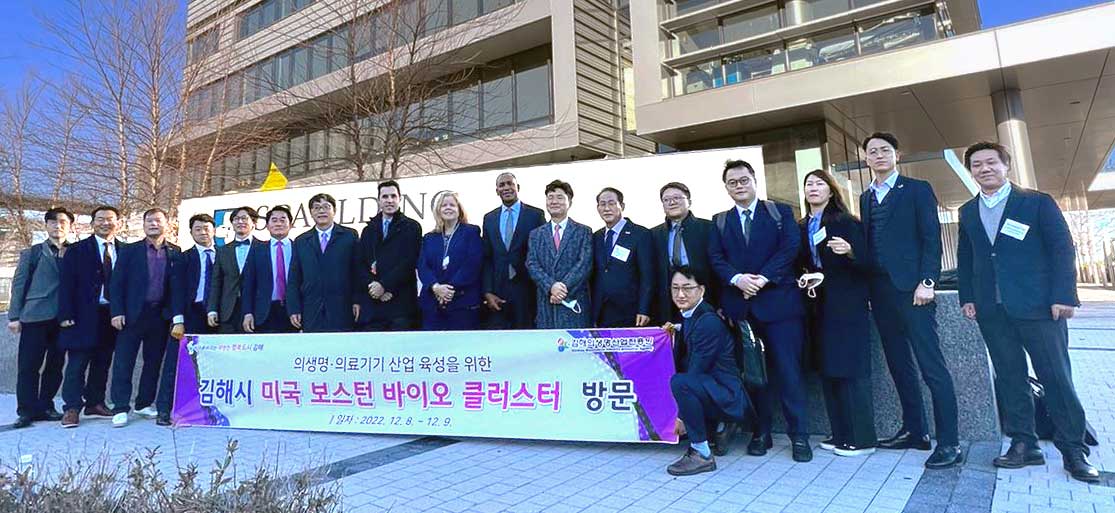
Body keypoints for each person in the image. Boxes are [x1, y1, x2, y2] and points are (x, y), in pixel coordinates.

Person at [957, 142, 1099, 482]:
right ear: (971, 171)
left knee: (1055, 378)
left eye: (991, 162)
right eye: (977, 165)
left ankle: (1073, 450)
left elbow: (1062, 248)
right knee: (1010, 378)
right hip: (992, 310)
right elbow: (967, 258)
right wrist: (968, 297)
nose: (984, 169)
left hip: (1038, 307)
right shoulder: (967, 211)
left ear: (1006, 166)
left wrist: (1064, 296)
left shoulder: (1035, 202)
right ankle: (1024, 444)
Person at [858, 132, 961, 469]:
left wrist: (927, 281)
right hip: (881, 293)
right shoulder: (865, 197)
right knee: (898, 364)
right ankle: (914, 431)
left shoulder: (917, 190)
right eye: (872, 152)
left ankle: (950, 443)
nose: (878, 156)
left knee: (932, 366)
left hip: (914, 291)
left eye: (884, 150)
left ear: (897, 155)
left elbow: (931, 238)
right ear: (866, 159)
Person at [708, 159, 811, 462]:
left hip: (780, 306)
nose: (739, 186)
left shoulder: (780, 212)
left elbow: (790, 248)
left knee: (789, 373)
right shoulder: (720, 221)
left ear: (754, 181)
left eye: (744, 180)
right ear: (726, 187)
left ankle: (800, 436)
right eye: (733, 182)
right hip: (742, 311)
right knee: (754, 376)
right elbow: (715, 257)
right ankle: (761, 432)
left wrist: (763, 278)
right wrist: (738, 279)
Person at [797, 170, 877, 457]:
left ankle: (862, 438)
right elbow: (803, 264)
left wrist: (851, 251)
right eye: (808, 184)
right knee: (829, 370)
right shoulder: (802, 225)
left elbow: (868, 264)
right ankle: (840, 432)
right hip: (818, 307)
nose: (813, 188)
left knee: (851, 371)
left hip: (846, 306)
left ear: (831, 191)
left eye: (819, 184)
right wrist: (807, 277)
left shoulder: (846, 222)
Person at [666, 266, 749, 476]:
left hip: (729, 396)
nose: (680, 294)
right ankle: (715, 429)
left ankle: (701, 453)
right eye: (675, 288)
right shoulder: (692, 314)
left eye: (687, 288)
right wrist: (677, 328)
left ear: (701, 290)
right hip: (715, 388)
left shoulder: (709, 322)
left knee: (681, 382)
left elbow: (695, 371)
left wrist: (681, 417)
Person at [108, 207, 185, 428]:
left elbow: (176, 287)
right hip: (132, 314)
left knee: (153, 362)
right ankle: (121, 407)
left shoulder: (175, 252)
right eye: (149, 221)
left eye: (158, 220)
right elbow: (117, 284)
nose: (154, 224)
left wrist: (176, 317)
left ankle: (143, 403)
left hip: (159, 316)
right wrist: (117, 311)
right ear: (143, 225)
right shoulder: (130, 251)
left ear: (167, 224)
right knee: (124, 361)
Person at [8, 207, 73, 429]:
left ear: (70, 226)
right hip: (34, 317)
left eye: (63, 221)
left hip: (63, 319)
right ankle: (26, 410)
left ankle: (46, 405)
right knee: (28, 365)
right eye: (53, 222)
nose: (58, 225)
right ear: (46, 226)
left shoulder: (76, 252)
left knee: (55, 365)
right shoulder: (32, 253)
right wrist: (14, 316)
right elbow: (18, 286)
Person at [58, 205, 121, 428]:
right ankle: (72, 407)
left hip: (111, 316)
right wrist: (65, 314)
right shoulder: (77, 250)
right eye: (101, 219)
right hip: (83, 315)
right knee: (77, 362)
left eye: (110, 219)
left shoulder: (124, 250)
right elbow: (65, 284)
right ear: (92, 223)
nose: (106, 223)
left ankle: (95, 402)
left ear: (118, 223)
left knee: (102, 362)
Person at [156, 214, 219, 426]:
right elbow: (176, 291)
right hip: (190, 314)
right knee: (176, 362)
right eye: (198, 229)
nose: (203, 232)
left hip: (218, 316)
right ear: (191, 233)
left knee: (212, 364)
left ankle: (209, 409)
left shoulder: (224, 255)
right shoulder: (183, 258)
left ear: (214, 231)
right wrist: (178, 320)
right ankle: (164, 410)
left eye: (207, 228)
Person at [287, 193, 366, 333]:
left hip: (342, 307)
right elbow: (294, 278)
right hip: (311, 309)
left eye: (326, 207)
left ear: (334, 211)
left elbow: (357, 272)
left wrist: (357, 300)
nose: (321, 211)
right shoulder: (301, 241)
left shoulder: (349, 236)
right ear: (311, 212)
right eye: (316, 208)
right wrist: (294, 308)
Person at [481, 172, 546, 329]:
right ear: (497, 191)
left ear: (518, 187)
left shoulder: (535, 215)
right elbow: (487, 258)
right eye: (502, 185)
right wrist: (488, 291)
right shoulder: (489, 218)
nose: (506, 188)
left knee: (526, 341)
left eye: (510, 183)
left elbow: (541, 254)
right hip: (498, 291)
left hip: (527, 290)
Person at [526, 180, 593, 329]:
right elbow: (532, 264)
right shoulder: (536, 234)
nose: (554, 201)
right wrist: (551, 286)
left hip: (574, 302)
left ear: (570, 202)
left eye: (560, 197)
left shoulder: (583, 231)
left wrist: (562, 289)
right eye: (550, 197)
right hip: (546, 303)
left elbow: (584, 265)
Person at [359, 181, 422, 331]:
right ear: (379, 200)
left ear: (400, 199)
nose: (389, 200)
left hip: (401, 306)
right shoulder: (368, 230)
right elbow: (361, 263)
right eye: (385, 196)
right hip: (374, 306)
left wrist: (385, 285)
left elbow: (410, 262)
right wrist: (374, 287)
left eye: (393, 196)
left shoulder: (412, 227)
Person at [651, 182, 716, 324]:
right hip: (668, 302)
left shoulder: (708, 228)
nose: (672, 202)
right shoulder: (654, 234)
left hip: (704, 300)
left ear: (689, 201)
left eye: (677, 198)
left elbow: (717, 265)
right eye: (666, 200)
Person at [418, 192, 484, 330]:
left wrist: (448, 290)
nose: (448, 208)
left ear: (459, 209)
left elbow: (472, 264)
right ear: (438, 210)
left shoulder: (471, 232)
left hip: (462, 304)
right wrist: (435, 287)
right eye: (444, 205)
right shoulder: (429, 237)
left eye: (452, 205)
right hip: (433, 305)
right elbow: (422, 266)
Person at [592, 187, 654, 328]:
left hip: (631, 312)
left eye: (612, 203)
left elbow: (647, 276)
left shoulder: (640, 234)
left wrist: (643, 309)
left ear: (622, 206)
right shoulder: (596, 237)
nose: (607, 208)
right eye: (602, 204)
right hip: (601, 313)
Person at [242, 206, 297, 334]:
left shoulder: (299, 248)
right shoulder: (257, 249)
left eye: (283, 220)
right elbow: (248, 284)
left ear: (291, 224)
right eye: (274, 220)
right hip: (263, 313)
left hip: (294, 313)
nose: (278, 223)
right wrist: (247, 313)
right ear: (267, 225)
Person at [207, 206, 260, 333]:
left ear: (254, 223)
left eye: (244, 218)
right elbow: (216, 282)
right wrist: (212, 309)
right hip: (228, 310)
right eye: (236, 219)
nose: (240, 222)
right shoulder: (223, 250)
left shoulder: (263, 248)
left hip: (256, 309)